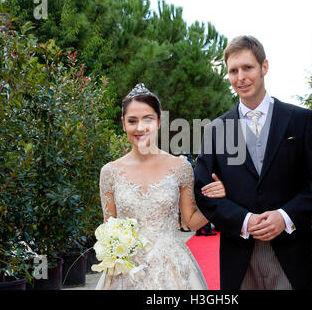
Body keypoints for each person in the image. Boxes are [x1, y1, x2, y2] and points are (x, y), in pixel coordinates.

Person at [194, 36, 312, 290]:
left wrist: (285, 216)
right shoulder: (216, 129)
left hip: (291, 252)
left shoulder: (300, 120)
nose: (240, 77)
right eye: (233, 71)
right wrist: (244, 220)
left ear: (264, 67)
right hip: (239, 256)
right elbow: (203, 193)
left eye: (247, 68)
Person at [95, 83, 226, 290]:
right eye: (132, 121)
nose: (140, 128)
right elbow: (108, 230)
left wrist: (218, 201)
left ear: (159, 121)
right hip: (127, 274)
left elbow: (190, 222)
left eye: (147, 119)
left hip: (172, 270)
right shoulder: (110, 172)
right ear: (123, 124)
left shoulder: (180, 167)